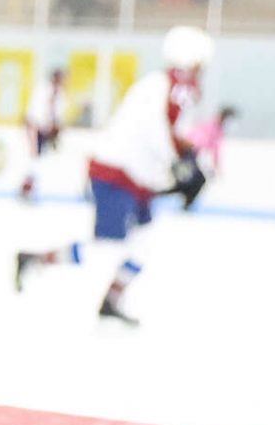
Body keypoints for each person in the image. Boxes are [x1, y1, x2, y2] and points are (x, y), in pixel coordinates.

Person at [14, 25, 212, 326]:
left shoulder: (179, 93)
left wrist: (190, 162)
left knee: (143, 245)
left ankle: (112, 300)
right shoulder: (157, 87)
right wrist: (180, 165)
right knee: (105, 246)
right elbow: (157, 133)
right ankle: (34, 259)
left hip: (139, 180)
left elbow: (175, 137)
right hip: (116, 174)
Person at [19, 65, 70, 204]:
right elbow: (36, 111)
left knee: (40, 160)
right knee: (34, 158)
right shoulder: (43, 89)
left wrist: (55, 128)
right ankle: (27, 189)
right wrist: (39, 126)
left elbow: (58, 113)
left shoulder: (60, 94)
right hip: (36, 128)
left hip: (47, 131)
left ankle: (33, 188)